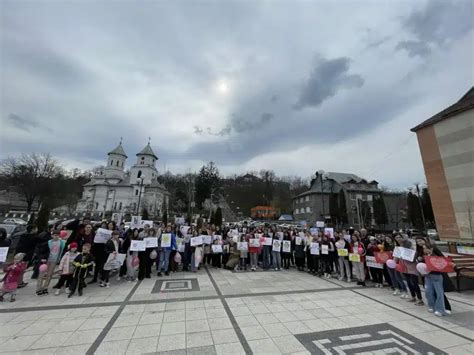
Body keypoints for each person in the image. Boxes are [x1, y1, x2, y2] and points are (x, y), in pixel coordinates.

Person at [36, 230, 66, 295]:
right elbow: (42, 250)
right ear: (52, 236)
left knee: (49, 275)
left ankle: (45, 288)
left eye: (57, 235)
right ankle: (38, 288)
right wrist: (42, 258)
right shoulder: (48, 242)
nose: (56, 236)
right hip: (46, 260)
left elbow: (62, 251)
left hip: (54, 260)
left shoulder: (61, 242)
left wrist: (59, 259)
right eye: (55, 235)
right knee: (41, 274)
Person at [422, 244, 448, 316]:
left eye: (426, 248)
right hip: (427, 276)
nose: (424, 250)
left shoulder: (436, 256)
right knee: (428, 291)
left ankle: (440, 309)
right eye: (423, 248)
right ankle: (431, 306)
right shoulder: (425, 257)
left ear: (431, 249)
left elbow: (441, 266)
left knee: (439, 293)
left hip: (436, 276)